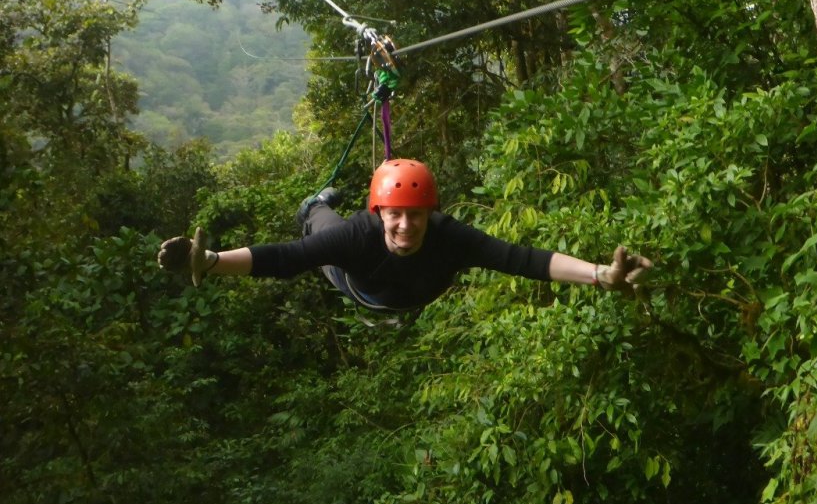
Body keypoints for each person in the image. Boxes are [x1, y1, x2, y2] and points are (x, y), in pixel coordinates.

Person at [157, 159, 652, 317]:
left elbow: (526, 260)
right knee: (321, 225)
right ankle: (313, 203)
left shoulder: (450, 237)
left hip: (409, 295)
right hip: (358, 285)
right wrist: (213, 260)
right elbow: (284, 258)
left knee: (333, 231)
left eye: (416, 216)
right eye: (395, 215)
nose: (405, 226)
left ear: (431, 213)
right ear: (380, 212)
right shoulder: (360, 234)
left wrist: (599, 274)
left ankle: (319, 203)